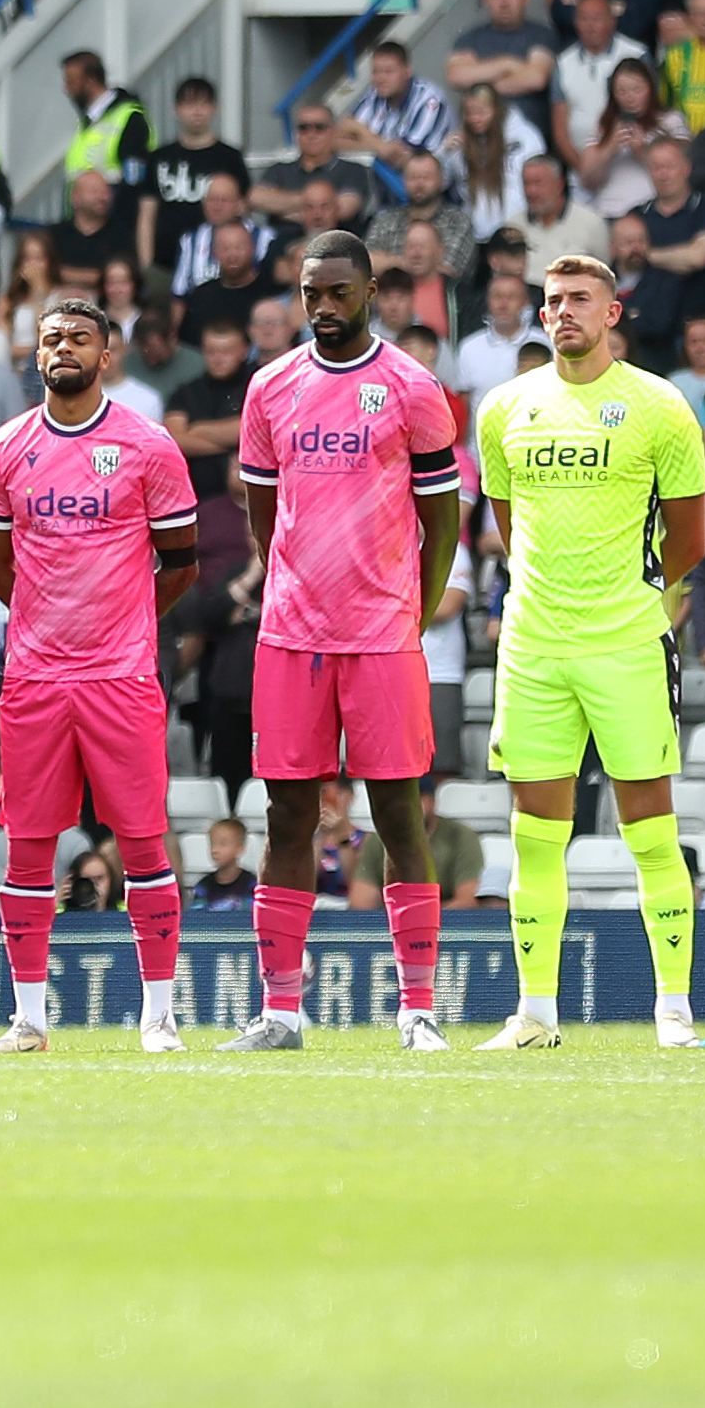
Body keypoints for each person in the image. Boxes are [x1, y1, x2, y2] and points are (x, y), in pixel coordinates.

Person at [224, 229, 461, 1055]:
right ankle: (281, 1011)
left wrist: (415, 611)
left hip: (382, 636)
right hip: (292, 636)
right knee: (286, 815)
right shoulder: (270, 388)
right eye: (310, 294)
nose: (323, 308)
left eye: (338, 293)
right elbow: (264, 510)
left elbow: (442, 517)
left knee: (399, 813)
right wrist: (294, 578)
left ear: (369, 292)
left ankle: (418, 1008)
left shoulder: (410, 386)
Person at [469, 249, 705, 1049]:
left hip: (627, 642)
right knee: (534, 833)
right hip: (534, 645)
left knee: (649, 829)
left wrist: (629, 593)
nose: (561, 310)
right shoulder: (504, 408)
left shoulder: (660, 406)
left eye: (578, 298)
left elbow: (689, 538)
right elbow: (507, 527)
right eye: (551, 299)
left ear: (613, 313)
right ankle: (535, 1014)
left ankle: (672, 1008)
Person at [0, 293, 202, 1054]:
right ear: (35, 355)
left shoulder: (148, 445)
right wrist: (47, 613)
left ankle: (158, 1015)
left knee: (142, 841)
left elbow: (183, 562)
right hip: (34, 677)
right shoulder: (2, 451)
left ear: (108, 356)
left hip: (121, 675)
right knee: (30, 846)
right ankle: (29, 1019)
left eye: (79, 338)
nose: (62, 346)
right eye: (50, 337)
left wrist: (122, 613)